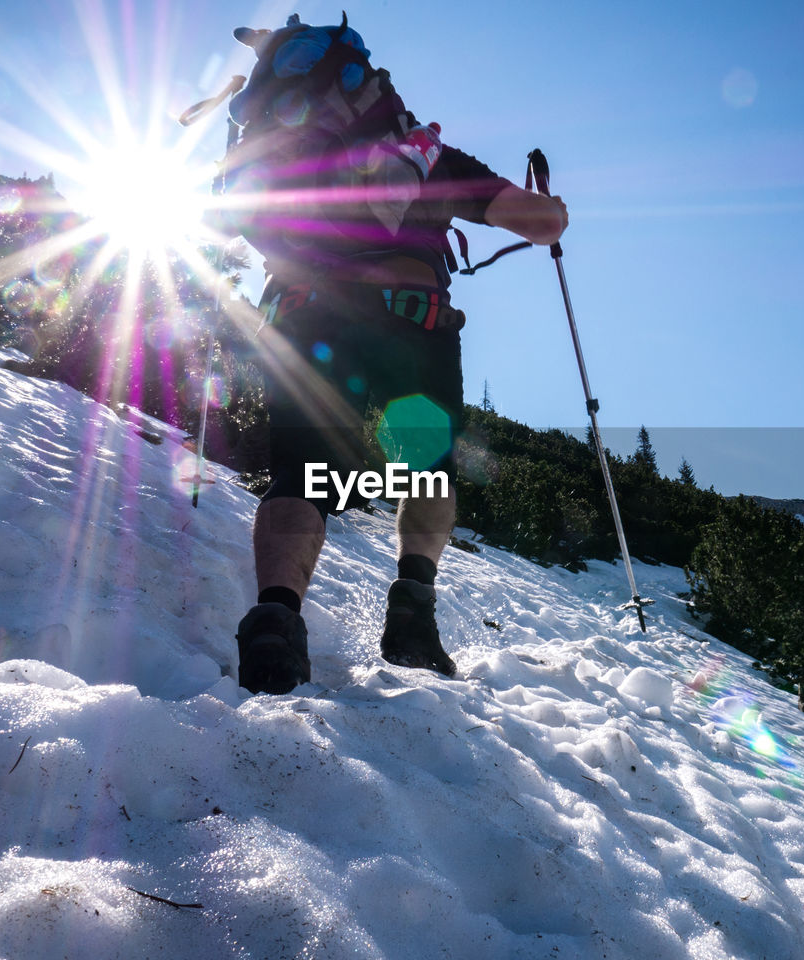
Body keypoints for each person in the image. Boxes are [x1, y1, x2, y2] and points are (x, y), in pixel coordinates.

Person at [231, 20, 568, 695]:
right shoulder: (423, 157)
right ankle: (413, 610)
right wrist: (552, 207)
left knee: (301, 473)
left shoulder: (284, 150)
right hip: (412, 323)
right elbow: (540, 224)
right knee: (424, 474)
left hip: (305, 316)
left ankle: (276, 616)